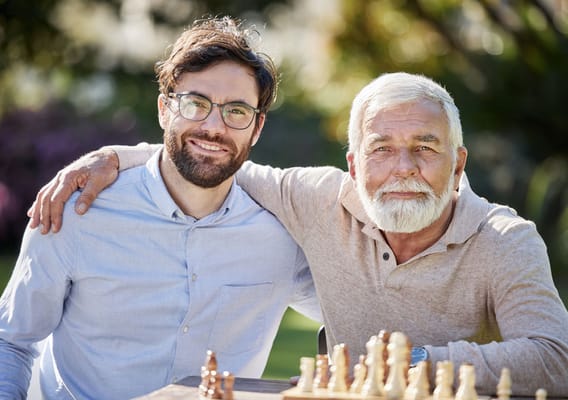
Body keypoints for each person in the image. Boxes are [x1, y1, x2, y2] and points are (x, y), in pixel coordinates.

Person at [28, 73, 568, 396]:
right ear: (354, 165)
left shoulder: (505, 238)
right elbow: (209, 154)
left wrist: (417, 366)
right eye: (382, 148)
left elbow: (556, 358)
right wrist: (114, 156)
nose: (403, 167)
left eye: (426, 147)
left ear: (458, 164)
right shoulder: (318, 199)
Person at [0, 16, 321, 399]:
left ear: (257, 128)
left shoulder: (281, 236)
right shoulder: (75, 212)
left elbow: (357, 313)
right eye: (196, 103)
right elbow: (12, 341)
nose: (214, 127)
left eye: (237, 111)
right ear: (164, 110)